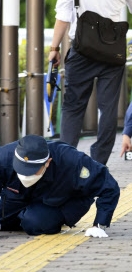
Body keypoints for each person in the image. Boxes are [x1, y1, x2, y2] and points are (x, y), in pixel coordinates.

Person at [0, 134, 120, 238]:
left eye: (31, 171)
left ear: (47, 162)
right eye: (21, 169)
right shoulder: (3, 157)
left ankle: (38, 218)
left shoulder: (72, 161)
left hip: (62, 200)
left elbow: (109, 188)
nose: (25, 176)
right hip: (19, 197)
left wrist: (99, 224)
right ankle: (22, 216)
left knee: (33, 222)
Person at [48, 0, 132, 165]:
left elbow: (63, 16)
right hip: (113, 52)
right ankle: (98, 163)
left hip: (82, 50)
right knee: (108, 109)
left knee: (73, 107)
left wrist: (54, 49)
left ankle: (66, 160)